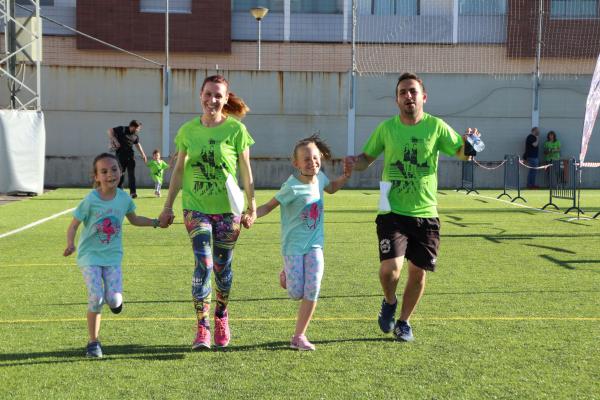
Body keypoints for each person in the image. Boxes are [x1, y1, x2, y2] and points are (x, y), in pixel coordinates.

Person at [345, 72, 476, 342]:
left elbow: (462, 152)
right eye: (403, 92)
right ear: (396, 100)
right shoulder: (387, 129)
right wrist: (352, 162)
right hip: (392, 211)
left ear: (423, 97)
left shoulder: (436, 127)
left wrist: (471, 144)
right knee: (389, 271)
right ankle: (389, 301)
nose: (408, 96)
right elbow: (366, 158)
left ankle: (403, 322)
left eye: (413, 91)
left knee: (417, 274)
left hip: (426, 214)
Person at [158, 75, 256, 350]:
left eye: (218, 96)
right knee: (204, 262)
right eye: (208, 94)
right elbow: (178, 170)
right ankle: (202, 327)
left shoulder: (236, 131)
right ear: (200, 95)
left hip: (228, 211)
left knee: (223, 267)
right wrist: (167, 207)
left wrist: (252, 206)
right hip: (195, 207)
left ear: (226, 99)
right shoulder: (188, 131)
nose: (212, 100)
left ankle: (221, 316)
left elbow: (246, 171)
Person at [255, 134, 351, 351]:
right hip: (293, 247)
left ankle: (299, 336)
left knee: (313, 287)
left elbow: (332, 188)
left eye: (316, 158)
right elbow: (268, 206)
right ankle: (286, 277)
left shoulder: (321, 179)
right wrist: (251, 215)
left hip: (315, 245)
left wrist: (345, 176)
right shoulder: (291, 187)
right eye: (306, 159)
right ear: (296, 163)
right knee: (295, 292)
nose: (312, 163)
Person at [63, 152, 163, 358]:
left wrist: (155, 222)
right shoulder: (90, 200)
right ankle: (93, 342)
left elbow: (134, 220)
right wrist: (70, 244)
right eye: (104, 171)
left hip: (112, 257)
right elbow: (73, 226)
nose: (110, 174)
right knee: (96, 297)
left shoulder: (124, 198)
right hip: (89, 256)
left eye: (114, 169)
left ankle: (115, 302)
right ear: (96, 177)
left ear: (121, 171)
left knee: (114, 300)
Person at [107, 120, 147, 198]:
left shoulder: (135, 135)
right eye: (138, 128)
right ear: (132, 127)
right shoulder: (122, 129)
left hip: (130, 156)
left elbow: (138, 144)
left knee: (131, 174)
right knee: (120, 174)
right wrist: (114, 140)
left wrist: (143, 154)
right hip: (120, 156)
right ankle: (119, 191)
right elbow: (110, 131)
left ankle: (133, 193)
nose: (138, 130)